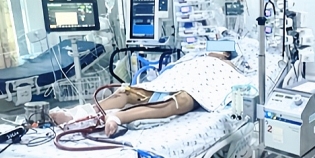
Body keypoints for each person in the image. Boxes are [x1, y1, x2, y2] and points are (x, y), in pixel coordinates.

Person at [50, 51, 248, 136]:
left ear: (226, 54)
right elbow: (173, 69)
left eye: (220, 49)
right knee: (127, 92)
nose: (214, 51)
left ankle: (117, 118)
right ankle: (77, 114)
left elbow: (235, 83)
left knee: (178, 102)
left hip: (195, 90)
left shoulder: (229, 65)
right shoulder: (194, 57)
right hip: (172, 81)